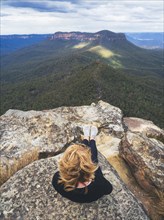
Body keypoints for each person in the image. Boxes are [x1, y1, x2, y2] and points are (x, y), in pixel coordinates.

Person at [52, 125, 113, 203]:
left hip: (78, 198)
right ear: (89, 169)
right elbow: (109, 190)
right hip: (90, 197)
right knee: (93, 158)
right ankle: (91, 139)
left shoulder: (57, 179)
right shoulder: (98, 182)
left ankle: (86, 138)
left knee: (88, 156)